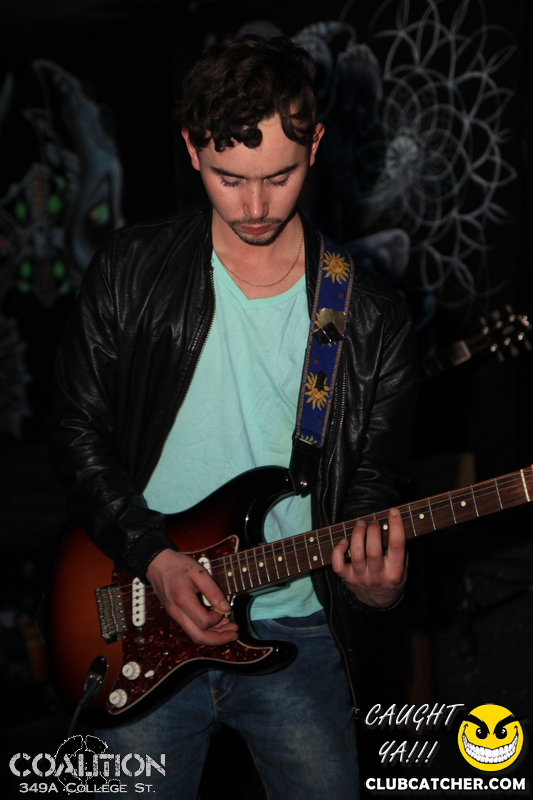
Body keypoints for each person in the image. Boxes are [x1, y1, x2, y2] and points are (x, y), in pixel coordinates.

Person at [49, 34, 417, 799]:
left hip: (297, 632)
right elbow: (76, 433)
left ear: (314, 145)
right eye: (230, 178)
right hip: (140, 612)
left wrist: (374, 588)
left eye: (279, 177)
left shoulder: (367, 315)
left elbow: (370, 487)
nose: (255, 207)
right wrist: (154, 555)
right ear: (191, 150)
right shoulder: (130, 273)